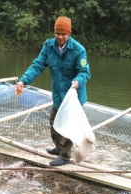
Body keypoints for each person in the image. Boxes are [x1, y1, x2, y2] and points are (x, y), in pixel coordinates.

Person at [15, 16, 91, 166]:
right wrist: (23, 81)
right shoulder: (49, 47)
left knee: (68, 127)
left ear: (69, 34)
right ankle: (58, 148)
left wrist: (78, 81)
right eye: (58, 33)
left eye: (63, 34)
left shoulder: (78, 50)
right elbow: (37, 65)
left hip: (73, 97)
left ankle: (64, 156)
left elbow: (85, 72)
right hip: (58, 95)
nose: (60, 37)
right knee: (54, 121)